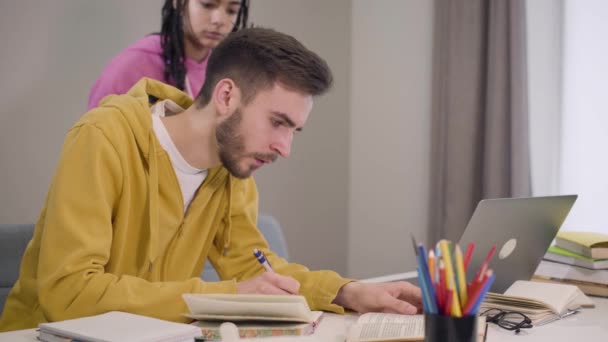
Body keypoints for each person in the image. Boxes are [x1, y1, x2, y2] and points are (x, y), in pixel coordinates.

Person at [0, 27, 421, 332]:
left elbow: (253, 264)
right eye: (277, 122)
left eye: (293, 130)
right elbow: (69, 293)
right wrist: (224, 297)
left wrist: (345, 292)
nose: (284, 148)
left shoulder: (231, 167)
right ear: (225, 96)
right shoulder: (103, 138)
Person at [87, 0, 250, 110]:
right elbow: (95, 142)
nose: (219, 20)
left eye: (232, 10)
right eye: (207, 5)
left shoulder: (227, 72)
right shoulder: (132, 66)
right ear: (178, 3)